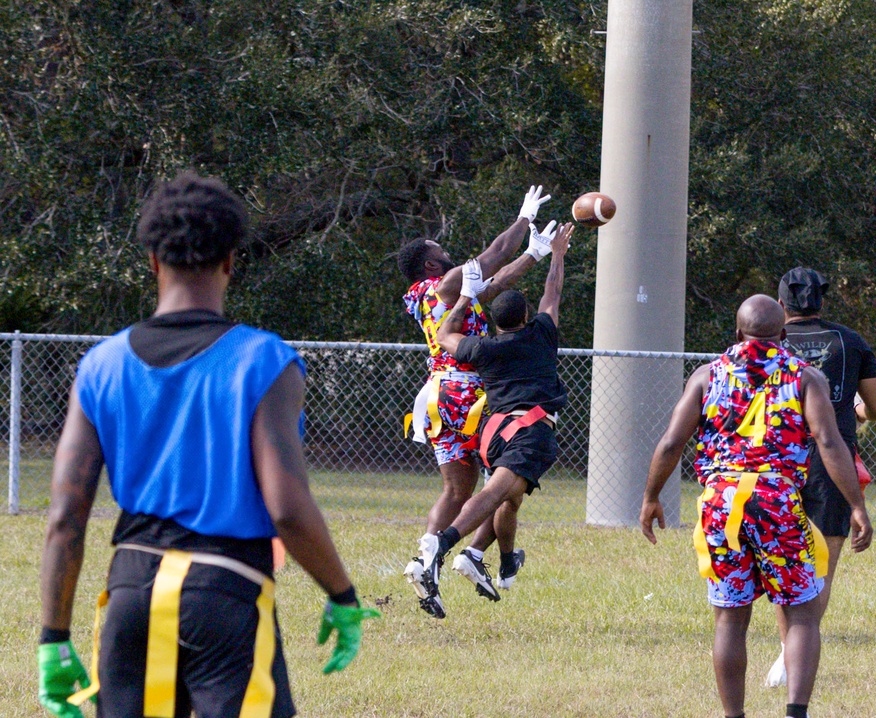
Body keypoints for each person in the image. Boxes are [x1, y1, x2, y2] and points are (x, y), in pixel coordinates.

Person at [37, 172, 379, 718]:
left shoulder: (100, 365)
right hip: (224, 594)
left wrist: (53, 638)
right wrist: (342, 596)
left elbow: (65, 516)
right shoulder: (264, 361)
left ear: (152, 260)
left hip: (131, 592)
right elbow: (288, 509)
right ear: (229, 261)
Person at [640, 294, 873, 718]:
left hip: (721, 503)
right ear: (783, 334)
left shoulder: (707, 375)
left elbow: (672, 442)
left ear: (736, 332)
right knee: (801, 614)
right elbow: (828, 441)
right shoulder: (805, 377)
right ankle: (795, 712)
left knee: (730, 619)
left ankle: (734, 717)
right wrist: (856, 505)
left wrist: (651, 496)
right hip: (777, 501)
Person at [397, 186, 556, 618]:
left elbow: (497, 282)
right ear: (432, 264)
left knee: (456, 490)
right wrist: (524, 220)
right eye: (442, 251)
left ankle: (425, 565)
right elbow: (495, 253)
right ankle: (472, 553)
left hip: (437, 391)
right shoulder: (449, 283)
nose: (450, 255)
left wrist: (535, 256)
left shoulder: (430, 297)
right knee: (502, 483)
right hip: (469, 394)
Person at [765, 267, 876, 687]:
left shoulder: (764, 340)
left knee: (784, 566)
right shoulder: (849, 341)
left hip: (774, 465)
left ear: (781, 304)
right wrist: (855, 413)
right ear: (822, 301)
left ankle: (787, 651)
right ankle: (792, 654)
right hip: (830, 466)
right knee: (821, 568)